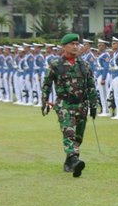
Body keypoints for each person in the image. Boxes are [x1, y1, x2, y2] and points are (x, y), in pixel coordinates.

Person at [41, 33, 97, 178]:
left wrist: (94, 105)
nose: (75, 46)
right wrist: (44, 101)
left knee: (78, 136)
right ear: (64, 46)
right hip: (65, 104)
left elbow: (91, 85)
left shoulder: (84, 65)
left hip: (81, 105)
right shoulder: (56, 64)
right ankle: (74, 159)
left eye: (76, 44)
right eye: (71, 44)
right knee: (69, 133)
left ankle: (69, 162)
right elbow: (46, 84)